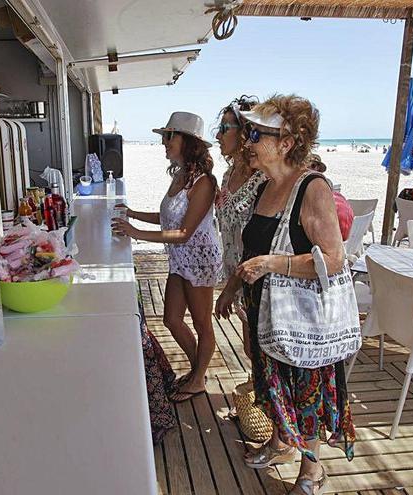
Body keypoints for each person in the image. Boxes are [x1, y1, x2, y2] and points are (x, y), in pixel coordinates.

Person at [215, 95, 354, 494]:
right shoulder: (266, 186)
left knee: (303, 392)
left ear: (287, 143)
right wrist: (231, 288)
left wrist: (274, 264)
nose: (248, 141)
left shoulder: (312, 188)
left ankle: (313, 473)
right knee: (270, 382)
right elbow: (250, 249)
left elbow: (333, 260)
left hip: (302, 321)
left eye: (257, 134)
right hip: (265, 313)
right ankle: (280, 443)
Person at [112, 111, 221, 403]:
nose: (164, 143)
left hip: (199, 259)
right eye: (164, 137)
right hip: (179, 258)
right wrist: (132, 213)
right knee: (171, 319)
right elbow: (167, 219)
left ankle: (198, 378)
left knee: (202, 324)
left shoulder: (204, 183)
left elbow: (184, 232)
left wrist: (134, 233)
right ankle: (199, 369)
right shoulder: (181, 176)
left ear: (188, 142)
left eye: (169, 137)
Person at [213, 96, 266, 360]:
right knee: (250, 348)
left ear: (245, 132)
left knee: (257, 350)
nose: (218, 135)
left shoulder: (262, 180)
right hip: (236, 277)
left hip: (257, 282)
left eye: (224, 128)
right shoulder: (227, 176)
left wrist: (231, 287)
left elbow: (260, 242)